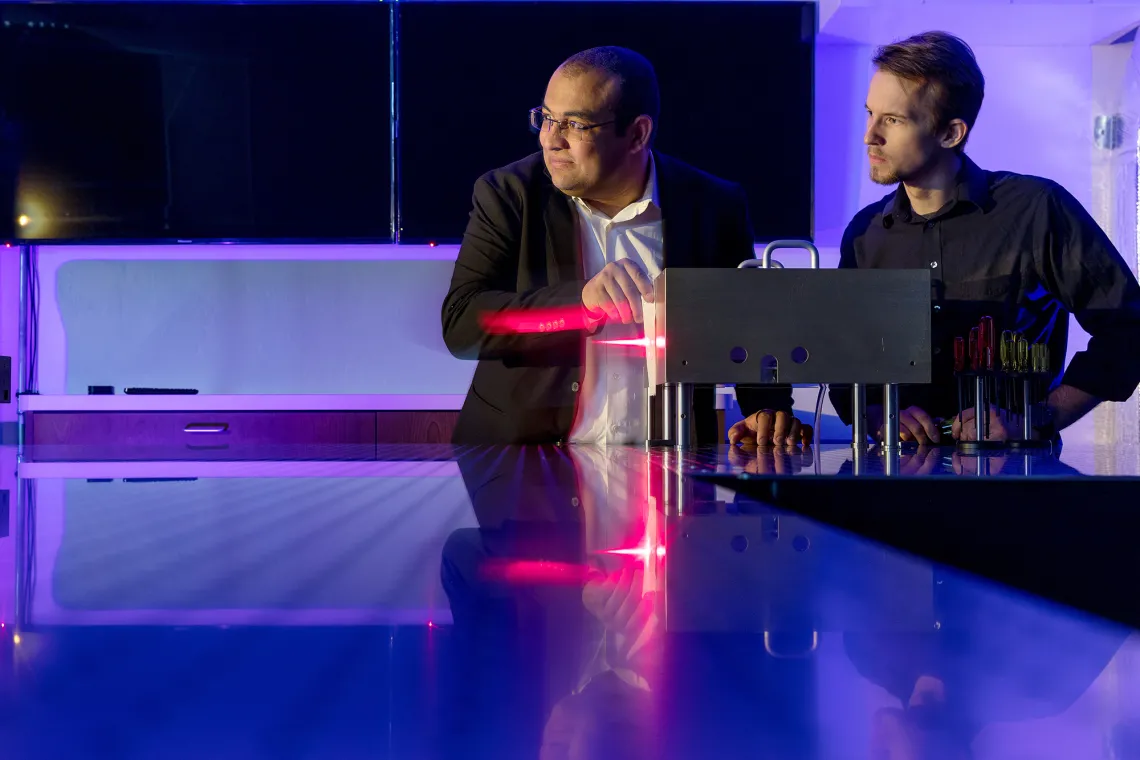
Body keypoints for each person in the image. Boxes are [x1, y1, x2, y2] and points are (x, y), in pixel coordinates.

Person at [732, 31, 1140, 447]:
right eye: (870, 113)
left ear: (951, 133)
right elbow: (844, 361)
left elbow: (1130, 327)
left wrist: (1038, 418)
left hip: (1017, 484)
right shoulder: (864, 234)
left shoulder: (1037, 209)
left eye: (892, 120)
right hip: (892, 482)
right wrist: (877, 414)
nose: (869, 135)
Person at [442, 46, 807, 447]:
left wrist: (765, 409)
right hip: (527, 465)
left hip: (667, 468)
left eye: (574, 124)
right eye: (546, 118)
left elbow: (748, 326)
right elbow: (463, 326)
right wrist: (578, 303)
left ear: (637, 134)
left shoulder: (713, 205)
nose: (552, 139)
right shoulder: (509, 193)